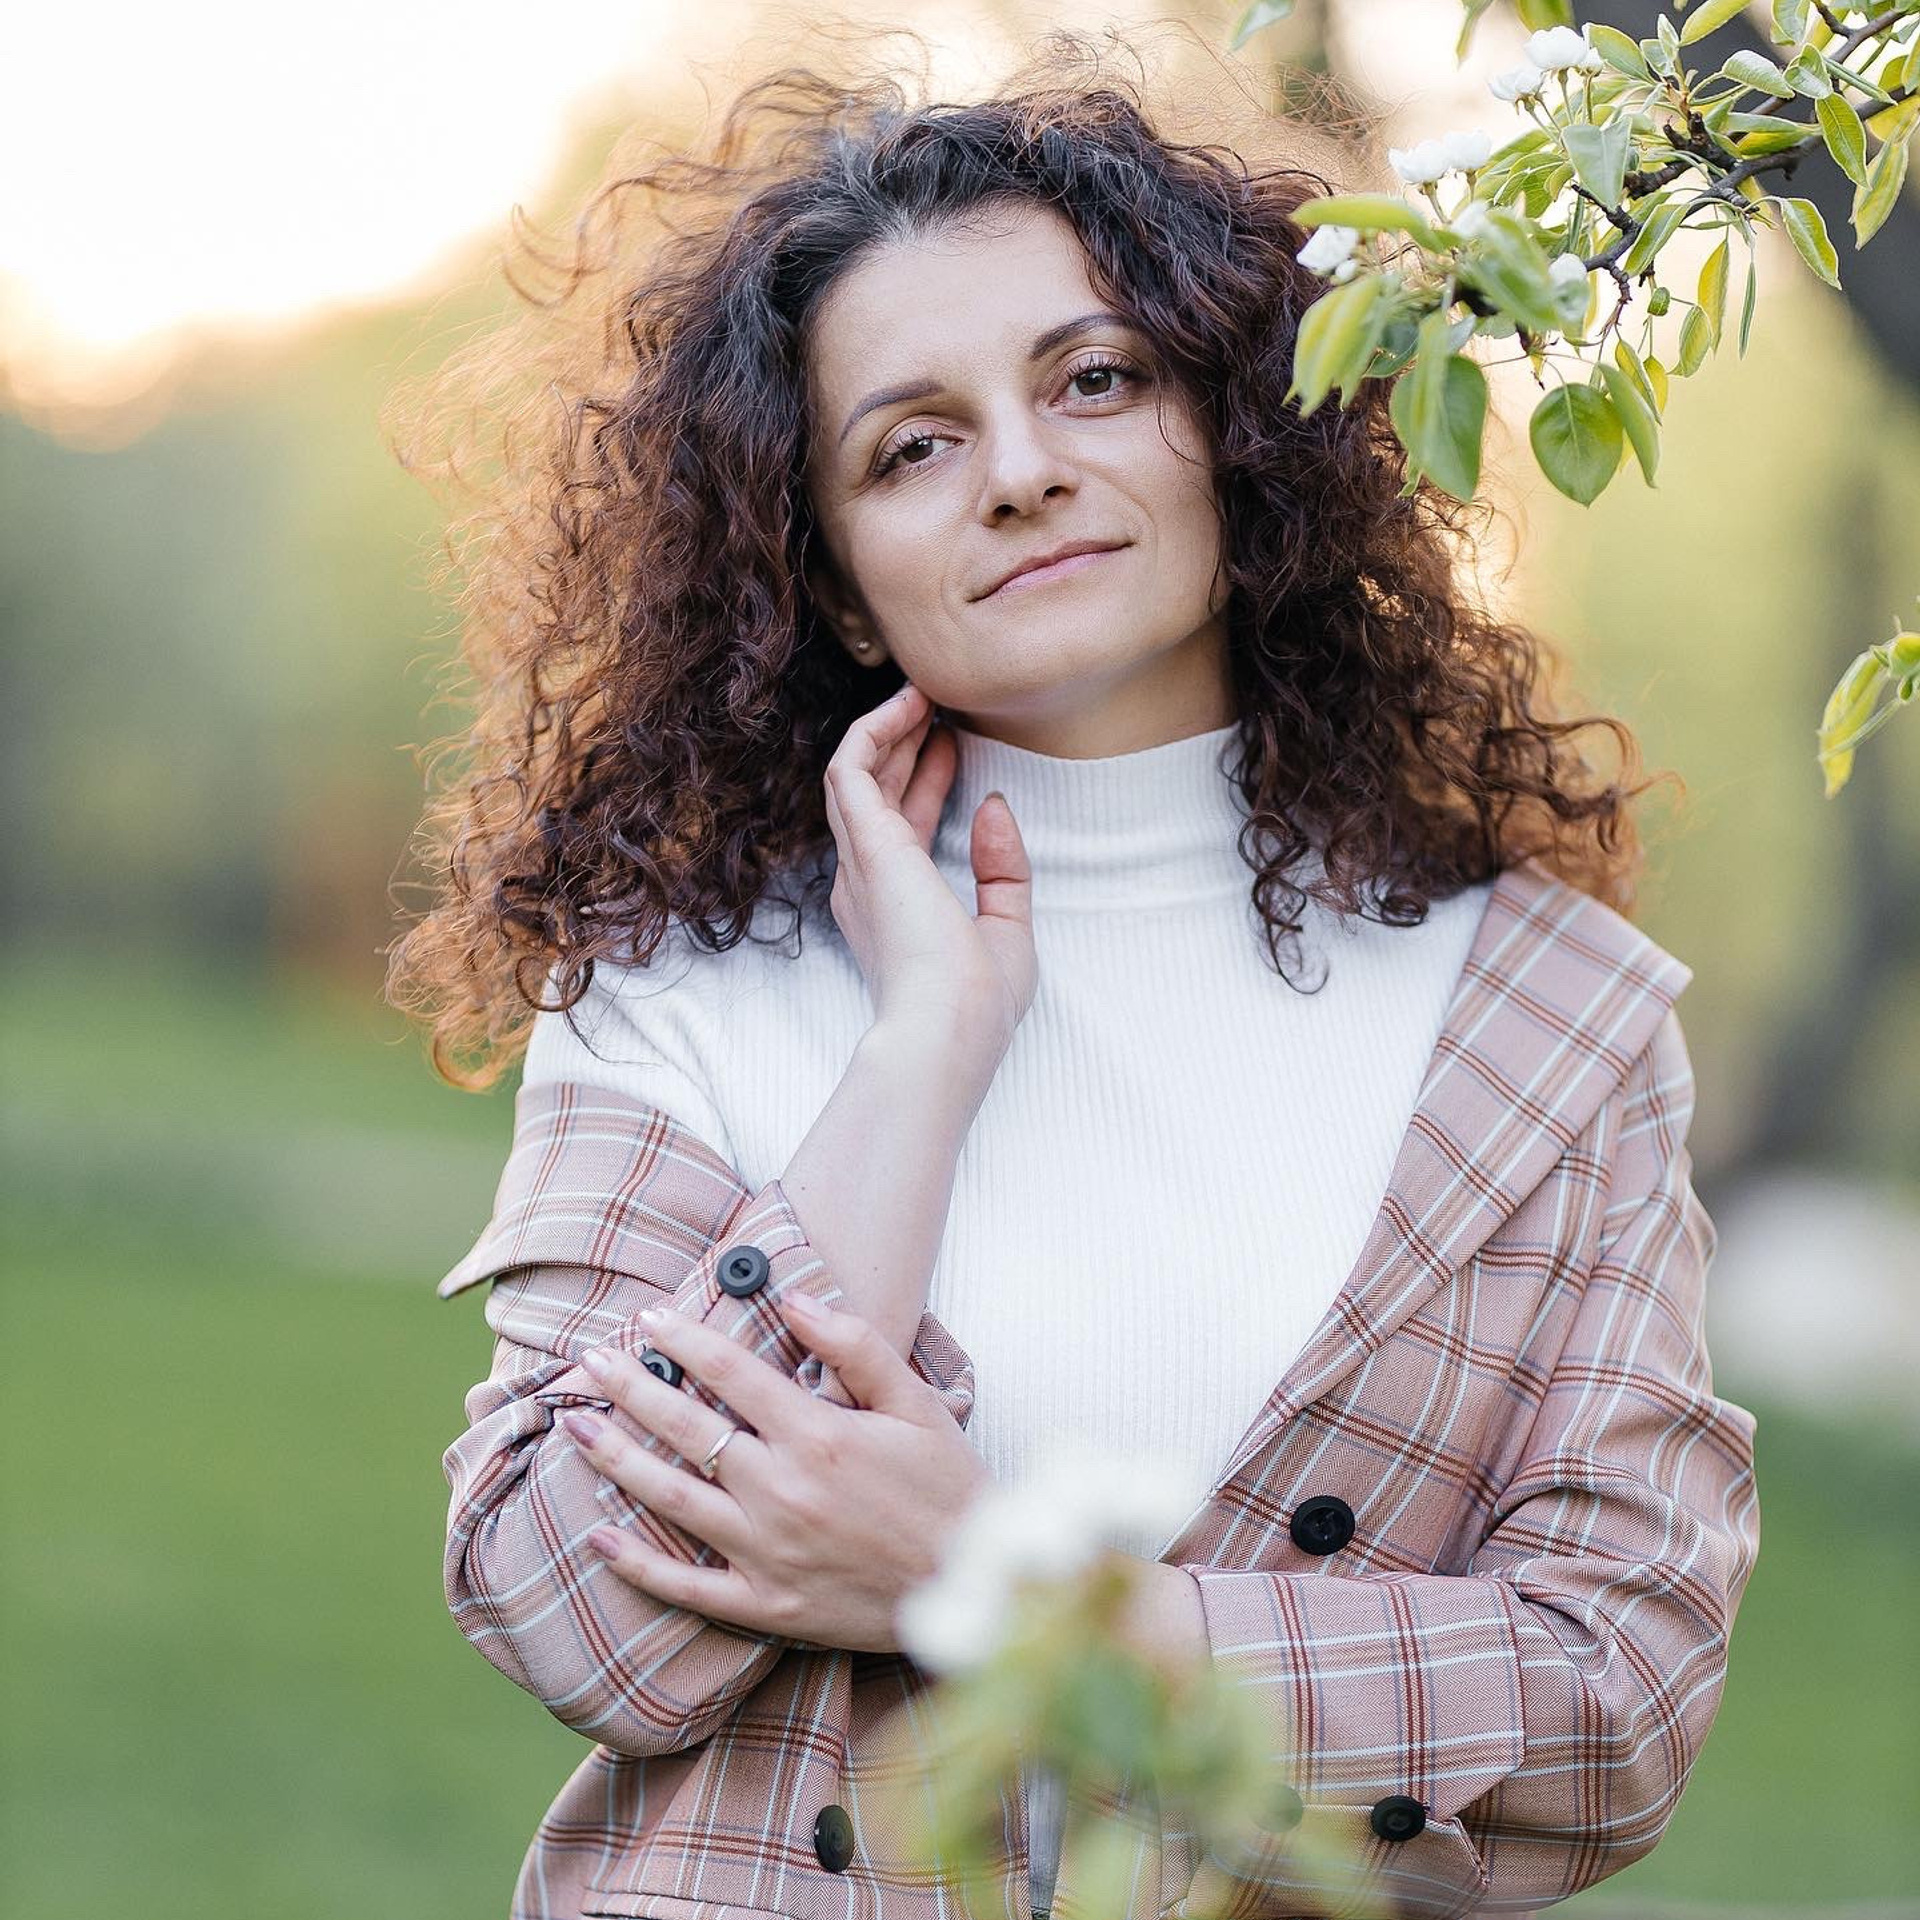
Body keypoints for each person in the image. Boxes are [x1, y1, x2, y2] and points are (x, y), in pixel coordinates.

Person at [384, 26, 1761, 1920]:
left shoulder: (1546, 1022)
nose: (1023, 474)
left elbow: (1614, 1712)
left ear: (1234, 427)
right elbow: (580, 1623)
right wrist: (925, 1048)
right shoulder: (689, 980)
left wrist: (1005, 1591)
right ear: (840, 578)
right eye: (914, 444)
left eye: (1095, 381)